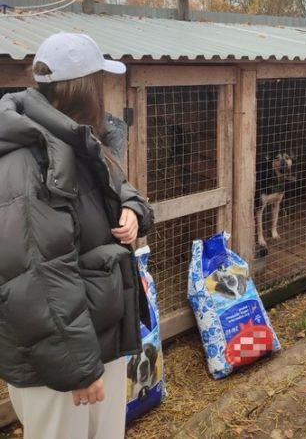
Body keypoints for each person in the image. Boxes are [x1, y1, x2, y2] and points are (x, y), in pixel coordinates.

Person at [0, 32, 154, 439]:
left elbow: (118, 186)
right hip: (61, 360)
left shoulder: (75, 142)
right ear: (83, 89)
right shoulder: (28, 160)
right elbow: (36, 273)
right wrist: (77, 367)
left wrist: (133, 210)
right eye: (101, 82)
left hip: (94, 335)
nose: (107, 92)